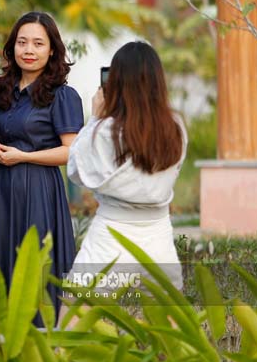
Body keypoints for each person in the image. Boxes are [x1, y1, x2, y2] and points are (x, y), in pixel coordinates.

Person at [0, 12, 83, 319]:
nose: (29, 50)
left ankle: (43, 334)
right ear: (12, 46)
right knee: (1, 263)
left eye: (38, 43)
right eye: (22, 42)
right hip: (1, 189)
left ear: (52, 50)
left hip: (40, 190)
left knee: (38, 264)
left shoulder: (62, 96)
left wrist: (24, 156)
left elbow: (70, 152)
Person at [67, 41, 186, 292]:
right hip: (158, 238)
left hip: (111, 237)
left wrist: (95, 118)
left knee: (77, 305)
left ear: (117, 82)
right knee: (165, 310)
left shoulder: (106, 130)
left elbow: (77, 170)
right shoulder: (175, 127)